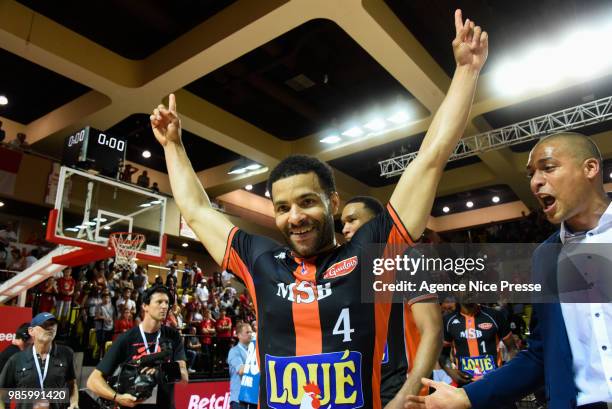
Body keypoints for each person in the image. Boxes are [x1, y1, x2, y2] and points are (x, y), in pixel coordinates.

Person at [150, 9, 487, 408]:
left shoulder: (372, 252)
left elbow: (430, 158)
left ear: (333, 202)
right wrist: (173, 146)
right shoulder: (260, 260)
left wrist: (466, 72)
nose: (295, 216)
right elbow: (196, 210)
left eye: (307, 201)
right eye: (283, 207)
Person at [405, 132, 612, 409]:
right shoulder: (544, 257)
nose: (536, 182)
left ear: (590, 168)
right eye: (532, 174)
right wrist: (466, 396)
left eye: (548, 168)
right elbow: (541, 354)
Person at [340, 196, 442, 406]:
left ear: (376, 223)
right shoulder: (348, 270)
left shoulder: (406, 258)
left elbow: (432, 331)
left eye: (352, 220)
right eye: (343, 223)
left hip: (400, 393)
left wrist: (406, 396)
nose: (345, 229)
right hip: (361, 392)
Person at [87, 286, 188, 409]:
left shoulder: (173, 336)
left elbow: (184, 378)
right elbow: (93, 381)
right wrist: (117, 397)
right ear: (145, 306)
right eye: (159, 302)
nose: (164, 306)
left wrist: (160, 370)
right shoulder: (126, 338)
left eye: (167, 302)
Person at [0, 313, 79, 409]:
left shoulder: (66, 354)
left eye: (53, 325)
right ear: (31, 331)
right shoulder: (17, 359)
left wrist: (74, 402)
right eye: (45, 325)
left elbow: (71, 383)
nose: (50, 328)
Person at [439, 303, 515, 395]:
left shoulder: (495, 316)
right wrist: (450, 371)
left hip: (496, 383)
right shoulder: (447, 321)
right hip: (466, 387)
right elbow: (442, 354)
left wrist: (509, 374)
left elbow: (512, 348)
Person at [227, 322, 253, 409]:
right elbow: (241, 370)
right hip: (239, 400)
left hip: (252, 398)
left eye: (251, 332)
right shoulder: (234, 351)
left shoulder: (253, 350)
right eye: (247, 332)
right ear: (239, 335)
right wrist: (257, 364)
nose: (250, 334)